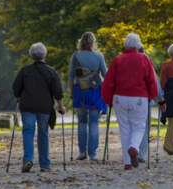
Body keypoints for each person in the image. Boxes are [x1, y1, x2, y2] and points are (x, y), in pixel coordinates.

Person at [101, 33, 158, 170]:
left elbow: (108, 82)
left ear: (125, 45)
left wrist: (107, 99)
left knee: (125, 129)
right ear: (138, 45)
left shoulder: (117, 60)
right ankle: (134, 147)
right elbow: (151, 80)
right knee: (138, 127)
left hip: (120, 98)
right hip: (139, 97)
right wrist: (152, 95)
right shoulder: (144, 58)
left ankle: (127, 163)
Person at [13, 42, 66, 173]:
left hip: (28, 107)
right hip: (44, 108)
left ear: (32, 56)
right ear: (45, 56)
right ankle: (45, 164)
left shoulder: (25, 70)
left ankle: (28, 160)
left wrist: (18, 97)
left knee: (28, 133)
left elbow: (16, 87)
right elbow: (58, 91)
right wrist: (61, 107)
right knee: (43, 134)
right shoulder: (52, 71)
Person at [68, 32, 107, 161]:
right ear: (92, 42)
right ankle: (93, 154)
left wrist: (72, 93)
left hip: (80, 91)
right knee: (94, 122)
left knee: (82, 121)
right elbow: (106, 76)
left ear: (81, 41)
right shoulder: (99, 56)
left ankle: (82, 151)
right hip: (95, 91)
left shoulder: (75, 56)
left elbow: (70, 77)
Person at [137, 46, 166, 163]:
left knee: (131, 127)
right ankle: (141, 154)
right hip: (145, 100)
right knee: (144, 128)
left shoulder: (123, 61)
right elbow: (154, 81)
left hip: (128, 100)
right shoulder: (146, 62)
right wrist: (160, 99)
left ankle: (131, 151)